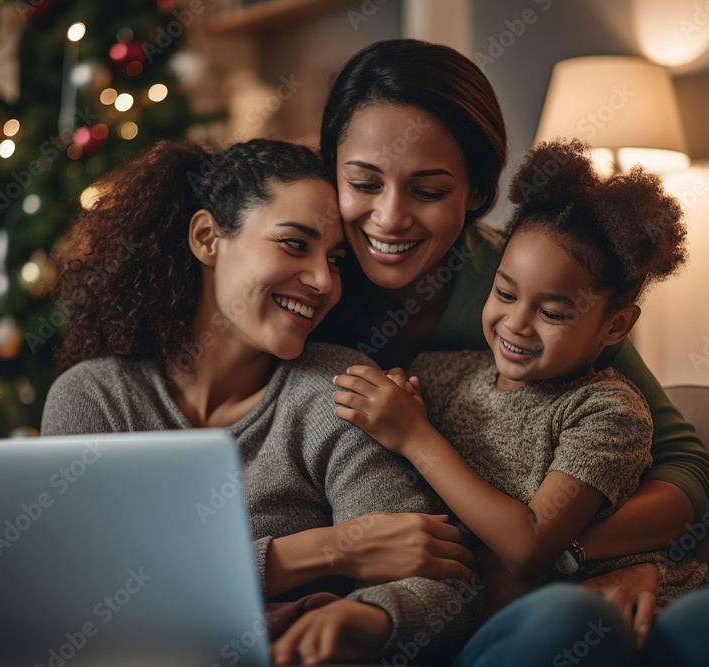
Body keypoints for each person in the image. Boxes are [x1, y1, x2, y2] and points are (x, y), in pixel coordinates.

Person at [312, 38, 709, 627]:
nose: (391, 216)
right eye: (364, 182)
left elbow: (690, 471)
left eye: (428, 191)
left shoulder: (528, 284)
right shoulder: (308, 283)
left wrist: (585, 556)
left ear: (477, 193)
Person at [41, 138, 480, 665]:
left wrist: (365, 619)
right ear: (207, 239)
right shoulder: (95, 398)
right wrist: (329, 548)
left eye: (336, 260)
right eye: (295, 244)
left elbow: (443, 585)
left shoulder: (340, 390)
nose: (323, 281)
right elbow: (83, 597)